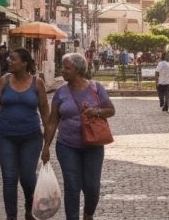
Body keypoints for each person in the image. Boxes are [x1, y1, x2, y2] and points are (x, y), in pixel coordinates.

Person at [42, 53, 115, 220]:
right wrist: (46, 146)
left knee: (92, 187)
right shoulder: (60, 93)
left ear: (78, 70)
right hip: (67, 146)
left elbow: (110, 110)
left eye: (67, 68)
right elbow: (52, 121)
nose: (63, 70)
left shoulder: (96, 88)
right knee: (72, 185)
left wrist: (96, 111)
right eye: (63, 67)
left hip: (93, 146)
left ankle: (88, 214)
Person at [0, 48, 50, 220]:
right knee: (9, 178)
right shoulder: (3, 81)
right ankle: (11, 216)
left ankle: (29, 206)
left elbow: (45, 113)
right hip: (5, 137)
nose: (8, 61)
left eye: (13, 59)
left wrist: (47, 143)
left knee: (27, 177)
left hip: (31, 137)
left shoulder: (37, 83)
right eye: (9, 59)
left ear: (24, 63)